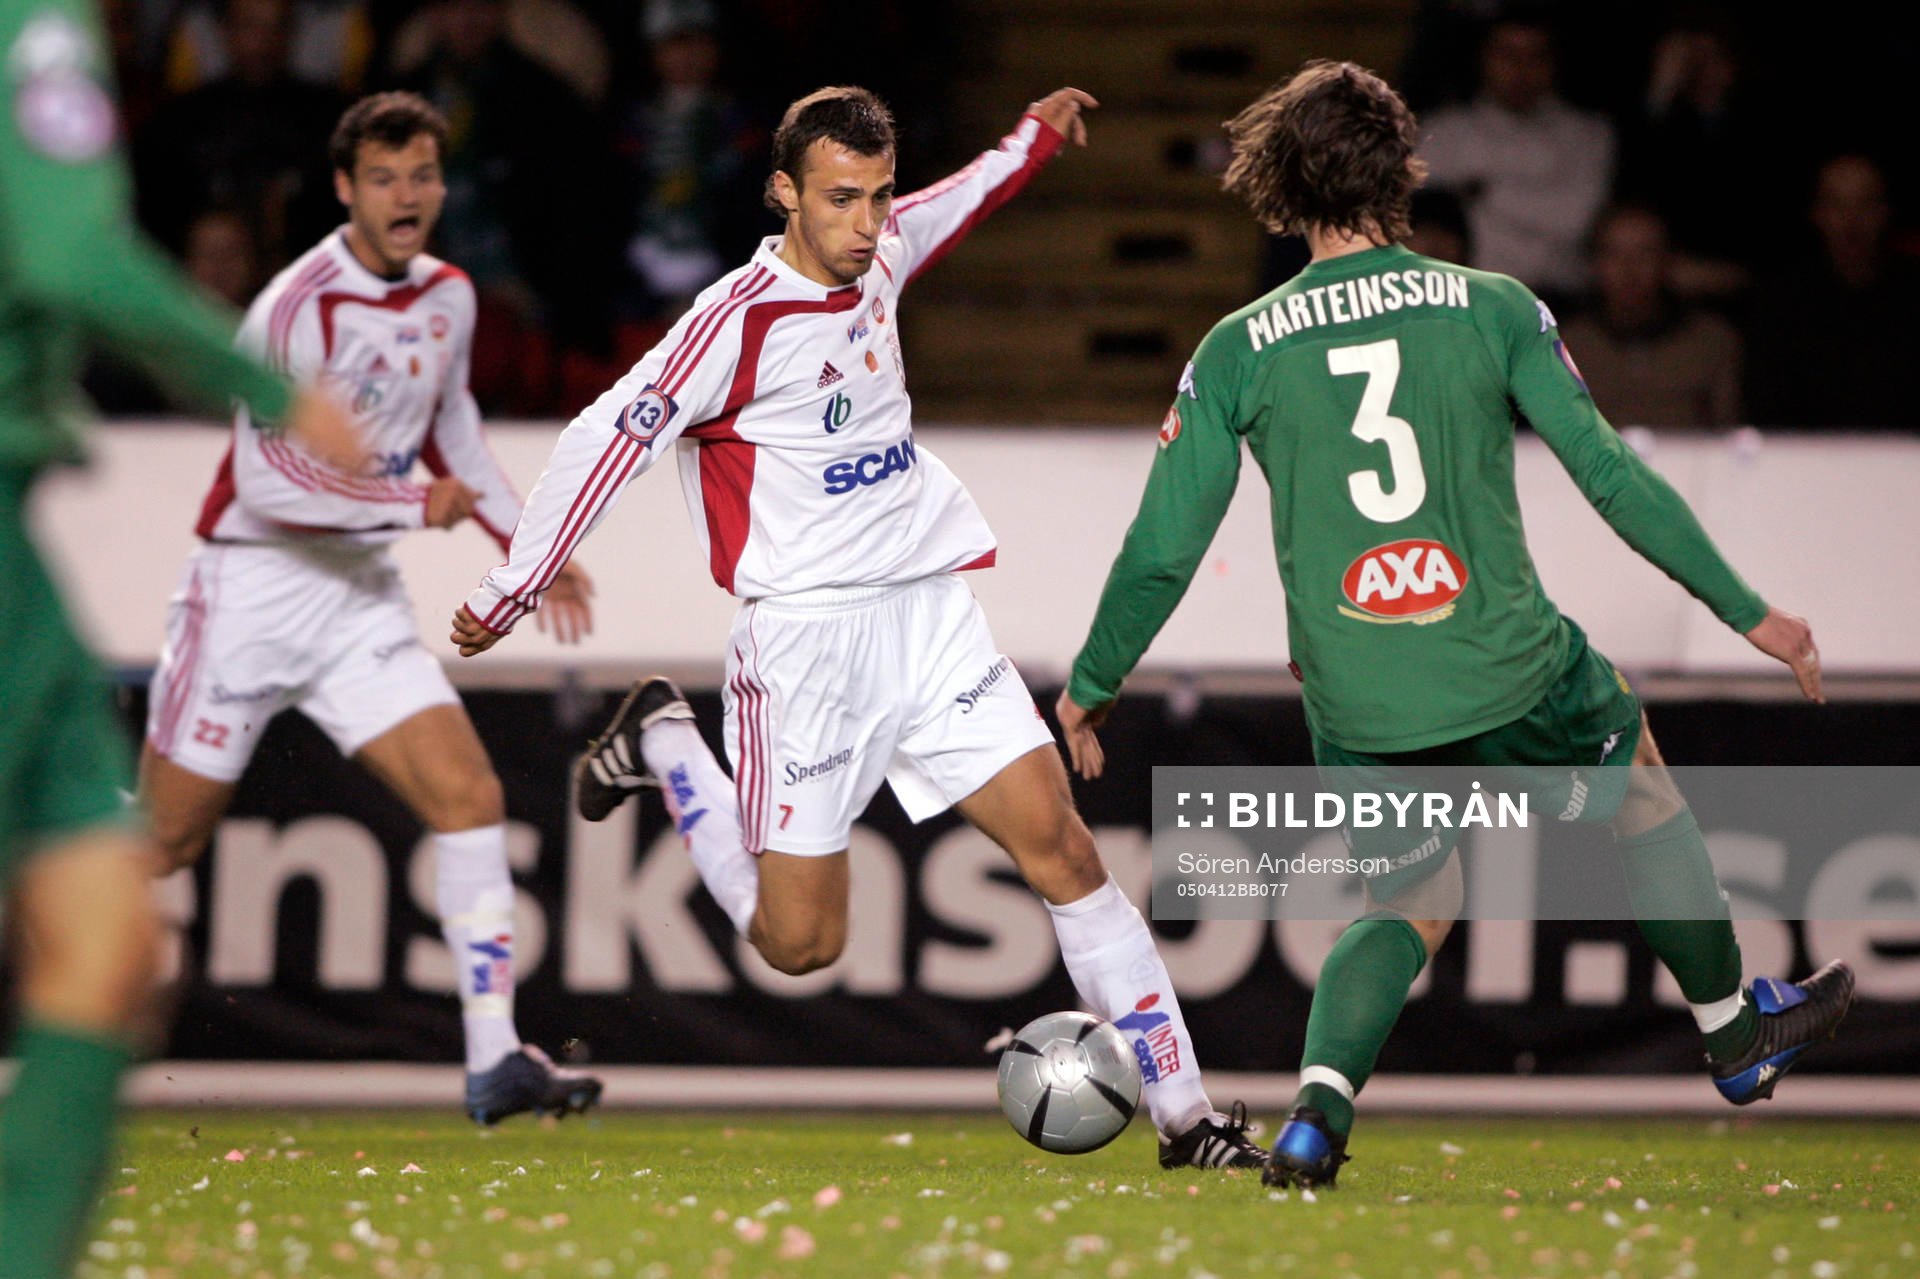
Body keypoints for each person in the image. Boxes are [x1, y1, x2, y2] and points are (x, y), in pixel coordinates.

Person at [1057, 62, 1854, 1190]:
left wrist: (1094, 680)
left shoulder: (1237, 345)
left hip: (1359, 689)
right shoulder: (1493, 305)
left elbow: (1165, 543)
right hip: (1516, 667)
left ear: (1283, 180)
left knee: (1409, 902)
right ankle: (1733, 1031)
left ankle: (1312, 1120)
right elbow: (1610, 474)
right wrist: (1751, 613)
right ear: (1403, 171)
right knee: (1636, 782)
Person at [450, 84, 1267, 1171]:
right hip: (805, 649)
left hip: (928, 617)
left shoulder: (879, 252)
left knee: (1062, 844)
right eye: (842, 199)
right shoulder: (733, 323)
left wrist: (1029, 139)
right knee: (800, 945)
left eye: (878, 196)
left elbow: (953, 203)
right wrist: (518, 581)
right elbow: (610, 436)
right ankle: (667, 747)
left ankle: (1187, 1117)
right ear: (784, 191)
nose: (869, 223)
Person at [136, 91, 603, 1126]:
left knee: (470, 798)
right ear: (345, 188)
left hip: (356, 602)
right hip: (250, 592)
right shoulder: (295, 307)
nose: (407, 196)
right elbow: (263, 483)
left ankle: (495, 1063)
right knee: (160, 848)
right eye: (384, 177)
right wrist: (406, 500)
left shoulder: (449, 295)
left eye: (423, 175)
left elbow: (458, 437)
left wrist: (534, 551)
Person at [0, 0, 353, 1273]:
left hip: (17, 550)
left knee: (110, 936)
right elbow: (71, 255)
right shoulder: (33, 27)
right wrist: (273, 387)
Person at [1419, 10, 1614, 301]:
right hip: (1471, 300)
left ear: (1555, 62)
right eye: (1507, 54)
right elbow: (1429, 231)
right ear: (1482, 58)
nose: (1521, 68)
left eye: (1536, 56)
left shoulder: (1589, 134)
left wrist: (1485, 193)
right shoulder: (1441, 132)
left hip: (1564, 301)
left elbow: (1577, 219)